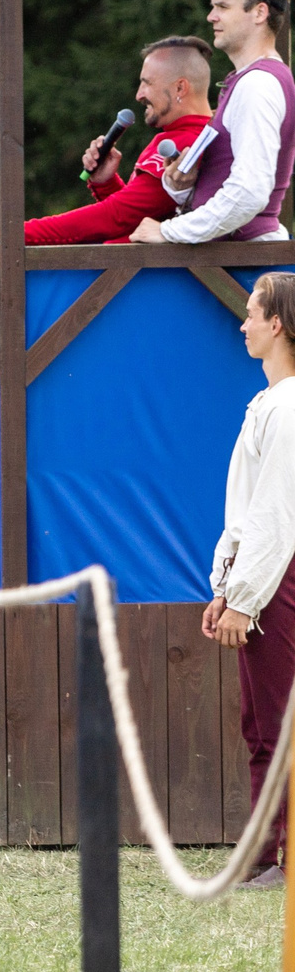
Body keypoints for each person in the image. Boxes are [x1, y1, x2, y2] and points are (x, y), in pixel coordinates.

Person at [207, 270, 295, 888]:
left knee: (278, 716)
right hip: (258, 579)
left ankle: (278, 852)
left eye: (251, 313)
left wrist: (245, 598)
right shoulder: (270, 402)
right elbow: (245, 510)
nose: (243, 324)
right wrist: (223, 586)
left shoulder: (289, 409)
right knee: (260, 721)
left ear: (278, 324)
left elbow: (275, 514)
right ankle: (265, 848)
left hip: (277, 580)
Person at [0, 41, 215, 251]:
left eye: (147, 83)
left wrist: (12, 234)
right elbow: (138, 217)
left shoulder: (186, 141)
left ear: (180, 88)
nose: (139, 94)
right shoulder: (187, 134)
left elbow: (115, 218)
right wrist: (106, 182)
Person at [136, 0, 295, 244]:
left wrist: (169, 231)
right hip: (236, 264)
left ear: (259, 13)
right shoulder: (250, 80)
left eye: (222, 6)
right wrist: (183, 185)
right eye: (213, 7)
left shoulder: (258, 84)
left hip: (245, 267)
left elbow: (249, 192)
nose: (211, 16)